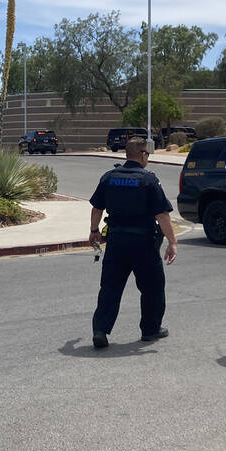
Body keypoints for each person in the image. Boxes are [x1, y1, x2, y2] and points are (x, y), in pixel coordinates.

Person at [89, 136, 178, 349]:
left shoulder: (109, 177)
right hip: (143, 243)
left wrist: (94, 231)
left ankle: (100, 330)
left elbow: (97, 208)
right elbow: (162, 216)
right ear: (143, 155)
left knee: (110, 287)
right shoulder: (148, 180)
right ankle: (150, 330)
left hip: (116, 241)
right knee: (153, 288)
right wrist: (172, 242)